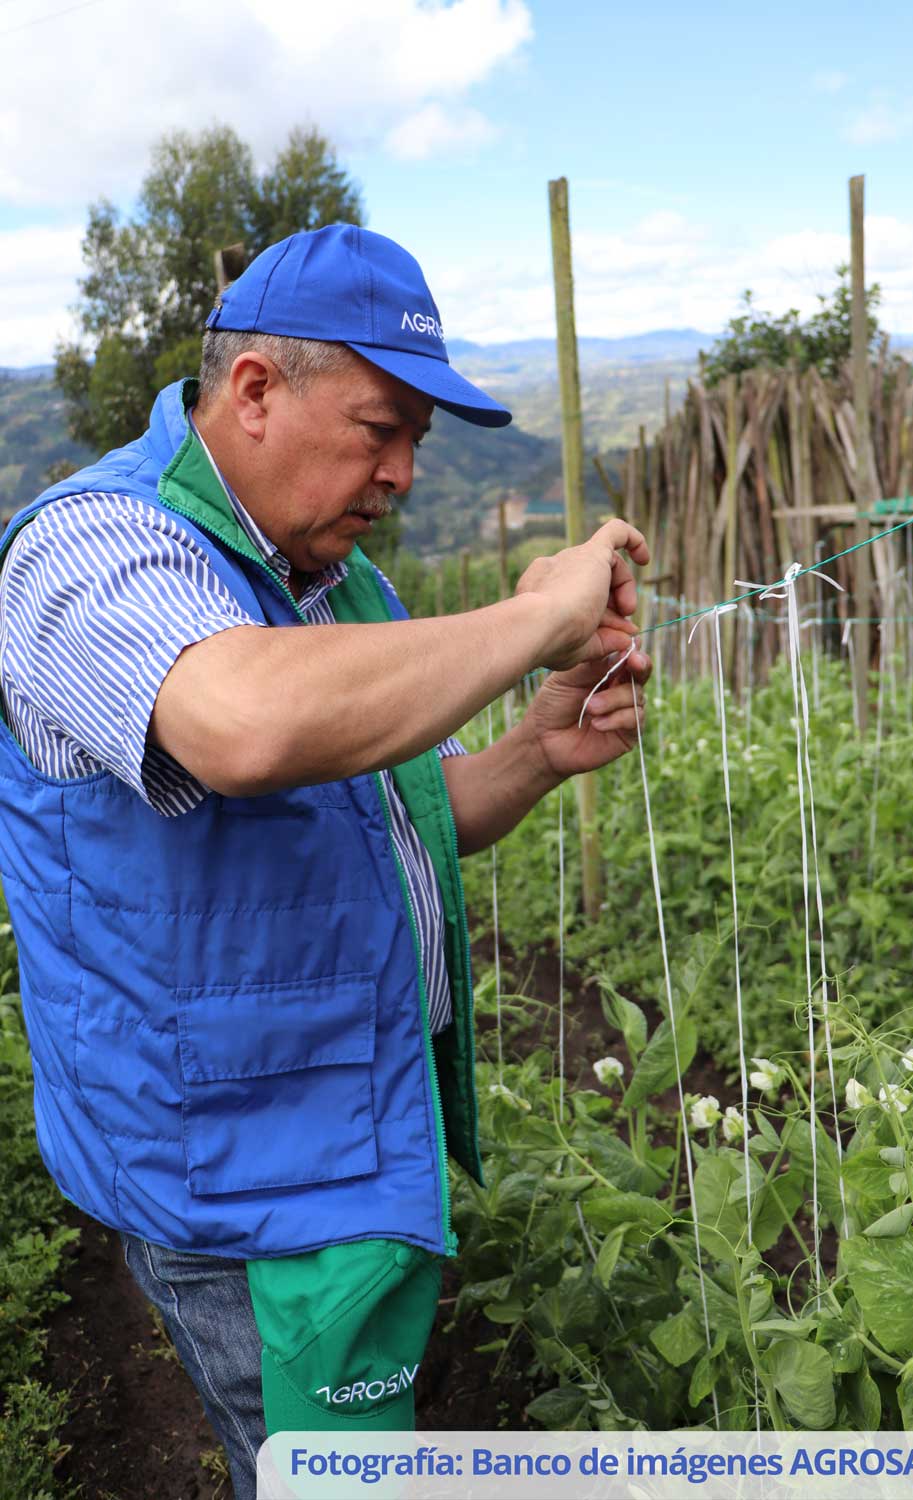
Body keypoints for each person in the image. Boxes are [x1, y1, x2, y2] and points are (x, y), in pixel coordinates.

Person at [0, 224, 650, 1495]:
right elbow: (243, 725)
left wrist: (533, 753)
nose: (403, 473)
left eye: (417, 440)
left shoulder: (332, 582)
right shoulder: (89, 553)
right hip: (238, 1182)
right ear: (253, 392)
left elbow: (390, 825)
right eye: (379, 428)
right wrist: (534, 619)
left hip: (341, 1141)